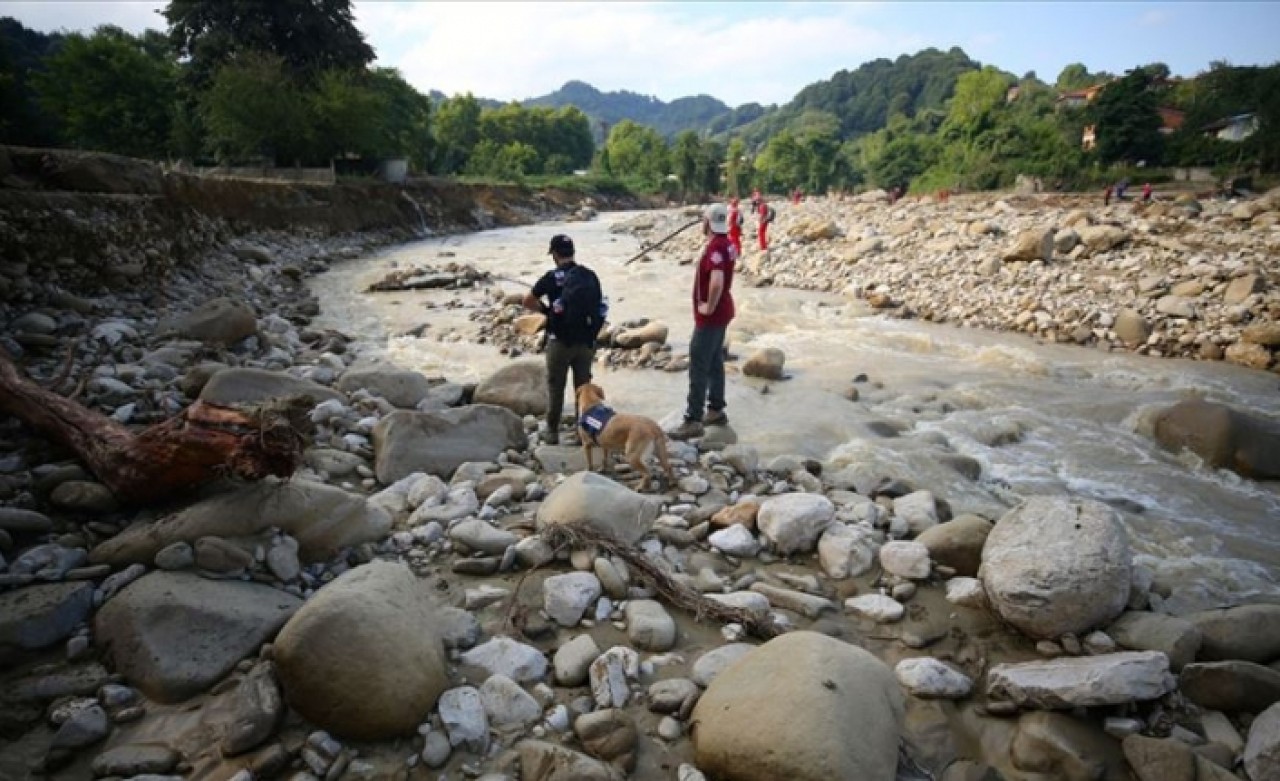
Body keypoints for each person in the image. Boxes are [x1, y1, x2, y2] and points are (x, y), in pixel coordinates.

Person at [522, 234, 605, 445]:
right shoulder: (589, 276)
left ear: (555, 254)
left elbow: (528, 301)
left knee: (555, 387)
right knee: (584, 387)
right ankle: (584, 432)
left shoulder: (552, 277)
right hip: (586, 341)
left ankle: (551, 432)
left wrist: (548, 312)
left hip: (559, 341)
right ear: (572, 252)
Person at [672, 204, 738, 440]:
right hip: (723, 312)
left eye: (703, 220)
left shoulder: (715, 249)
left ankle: (693, 419)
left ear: (708, 222)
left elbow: (717, 280)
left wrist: (708, 306)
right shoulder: (728, 244)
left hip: (711, 315)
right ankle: (716, 409)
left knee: (699, 364)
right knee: (714, 360)